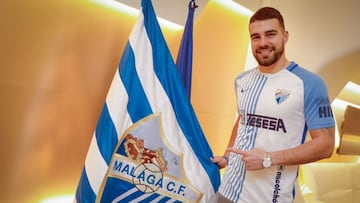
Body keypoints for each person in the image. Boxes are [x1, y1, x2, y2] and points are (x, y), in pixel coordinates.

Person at [211, 6, 335, 203]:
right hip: (226, 191)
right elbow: (243, 120)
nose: (263, 43)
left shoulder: (310, 83)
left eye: (270, 34)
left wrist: (269, 158)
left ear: (285, 36)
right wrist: (227, 156)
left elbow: (326, 145)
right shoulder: (242, 80)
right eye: (255, 37)